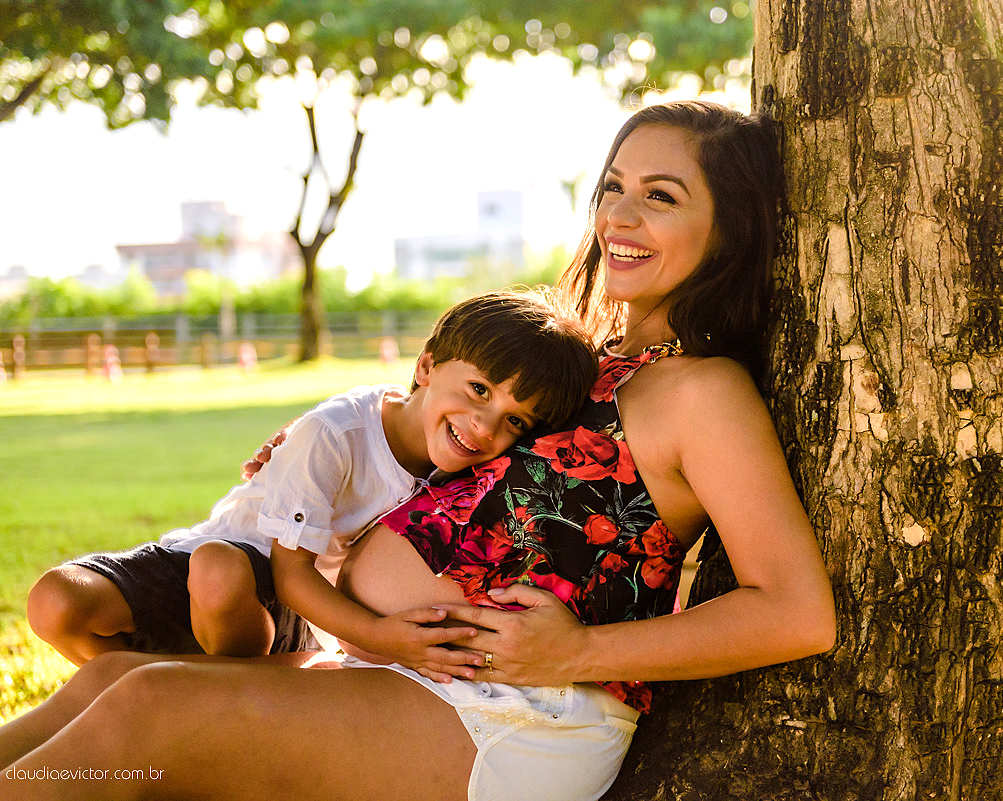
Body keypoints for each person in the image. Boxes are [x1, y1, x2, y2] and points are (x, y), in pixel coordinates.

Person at [0, 100, 836, 801]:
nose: (619, 215)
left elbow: (796, 610)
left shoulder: (703, 391)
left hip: (519, 712)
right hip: (400, 665)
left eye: (660, 195)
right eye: (613, 187)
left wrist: (582, 651)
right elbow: (449, 423)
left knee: (148, 712)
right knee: (111, 683)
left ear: (726, 228)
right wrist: (336, 439)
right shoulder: (578, 359)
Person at [24, 291, 598, 667]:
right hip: (234, 556)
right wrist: (383, 636)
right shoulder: (336, 433)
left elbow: (300, 588)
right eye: (479, 390)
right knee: (57, 601)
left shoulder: (480, 475)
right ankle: (184, 680)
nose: (484, 425)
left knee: (218, 576)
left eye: (514, 420)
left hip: (289, 613)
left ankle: (210, 685)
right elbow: (290, 569)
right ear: (426, 365)